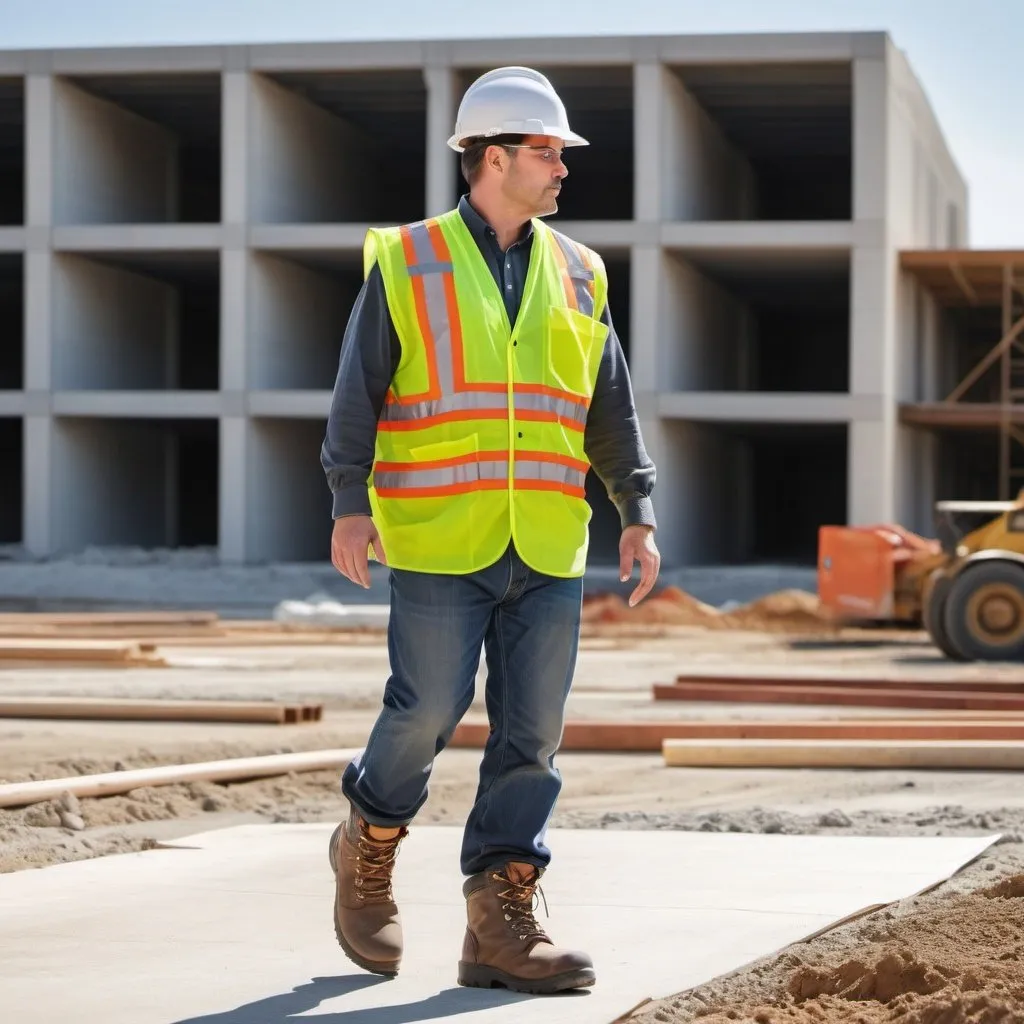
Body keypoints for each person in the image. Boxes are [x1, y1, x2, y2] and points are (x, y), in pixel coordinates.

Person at [320, 66, 659, 995]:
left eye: (559, 152)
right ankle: (369, 841)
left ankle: (499, 921)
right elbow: (362, 389)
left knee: (532, 737)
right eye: (547, 150)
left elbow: (608, 405)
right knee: (425, 711)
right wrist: (349, 499)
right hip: (437, 533)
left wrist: (636, 510)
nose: (562, 167)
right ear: (493, 157)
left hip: (548, 540)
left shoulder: (581, 272)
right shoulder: (411, 259)